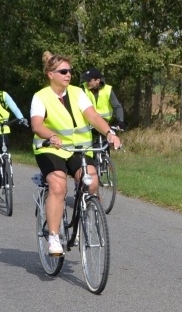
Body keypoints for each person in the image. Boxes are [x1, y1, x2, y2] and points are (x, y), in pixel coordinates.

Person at [31, 51, 122, 255]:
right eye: (63, 71)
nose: (68, 75)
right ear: (51, 74)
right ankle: (54, 237)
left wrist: (109, 133)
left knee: (92, 182)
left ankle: (85, 219)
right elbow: (36, 125)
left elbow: (93, 117)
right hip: (50, 148)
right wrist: (51, 136)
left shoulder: (78, 93)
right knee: (58, 186)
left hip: (78, 148)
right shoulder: (40, 97)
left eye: (70, 71)